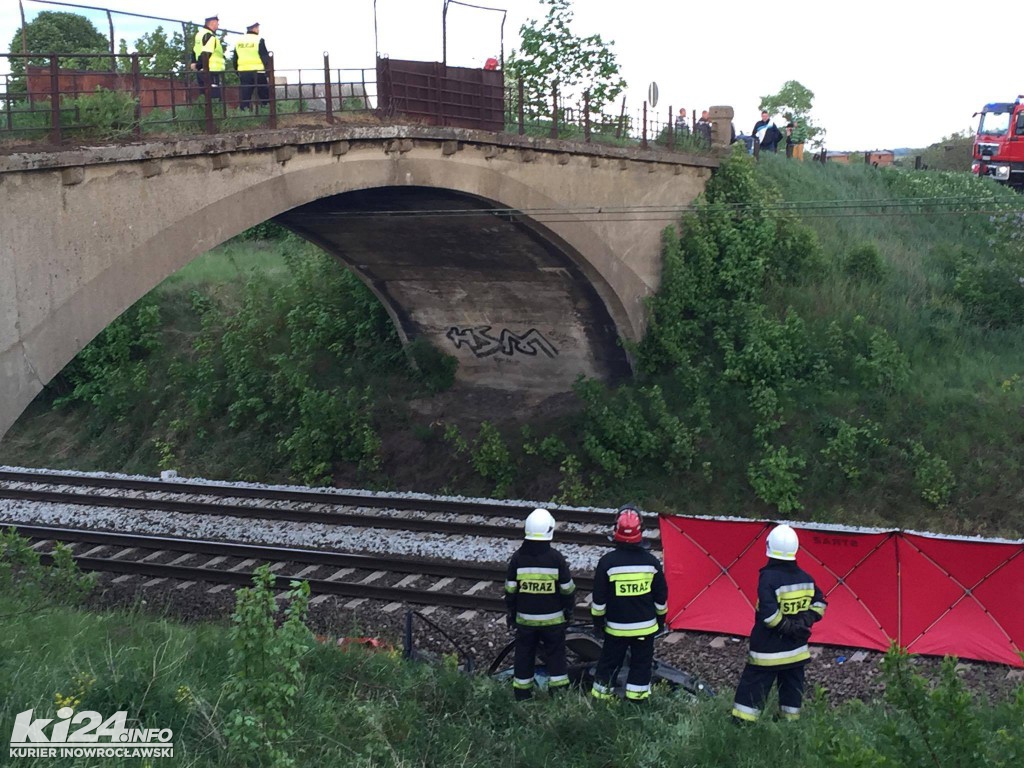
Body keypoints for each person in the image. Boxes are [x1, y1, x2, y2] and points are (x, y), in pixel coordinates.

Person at [731, 524, 827, 723]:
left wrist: (788, 627)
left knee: (751, 693)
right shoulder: (806, 579)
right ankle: (789, 726)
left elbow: (769, 616)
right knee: (792, 694)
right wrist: (805, 620)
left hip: (767, 653)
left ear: (768, 547)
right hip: (796, 652)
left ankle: (741, 726)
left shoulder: (768, 578)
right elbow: (820, 603)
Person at [590, 506, 669, 703]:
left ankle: (601, 701)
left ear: (615, 531)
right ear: (640, 532)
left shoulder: (607, 563)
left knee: (608, 664)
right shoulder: (651, 563)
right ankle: (637, 703)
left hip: (616, 629)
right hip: (645, 628)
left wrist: (598, 625)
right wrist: (660, 621)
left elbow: (599, 601)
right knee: (641, 665)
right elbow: (661, 598)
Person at [504, 508, 576, 700]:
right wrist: (568, 609)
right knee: (556, 658)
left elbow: (510, 590)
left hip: (525, 621)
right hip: (553, 622)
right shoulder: (556, 558)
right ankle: (559, 696)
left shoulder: (517, 558)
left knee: (524, 657)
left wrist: (511, 612)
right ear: (549, 530)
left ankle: (522, 695)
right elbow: (567, 589)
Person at [235, 22, 270, 111]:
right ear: (254, 28)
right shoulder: (259, 39)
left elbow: (235, 58)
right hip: (258, 72)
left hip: (244, 72)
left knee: (245, 96)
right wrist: (268, 72)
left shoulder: (239, 41)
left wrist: (237, 71)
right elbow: (265, 57)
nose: (258, 30)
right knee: (264, 95)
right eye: (258, 28)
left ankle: (244, 115)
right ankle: (266, 113)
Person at [192, 15, 226, 101]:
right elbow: (206, 53)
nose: (218, 25)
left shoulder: (199, 34)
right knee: (214, 98)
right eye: (217, 23)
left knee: (204, 96)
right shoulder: (209, 36)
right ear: (213, 23)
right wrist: (198, 65)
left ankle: (205, 113)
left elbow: (195, 50)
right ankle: (215, 113)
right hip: (211, 71)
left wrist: (194, 63)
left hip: (202, 70)